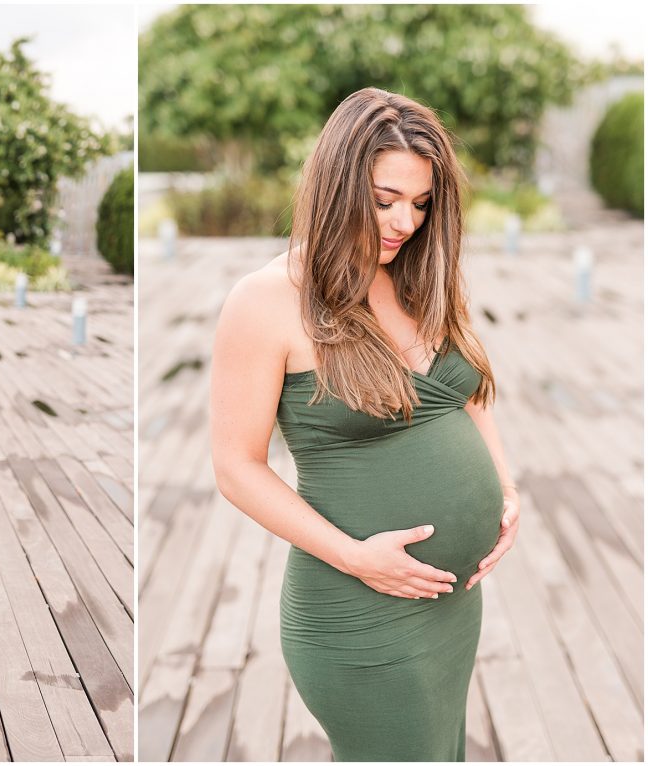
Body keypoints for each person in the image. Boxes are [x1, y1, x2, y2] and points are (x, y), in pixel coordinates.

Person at [210, 88, 520, 761]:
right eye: (384, 200)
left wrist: (504, 486)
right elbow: (236, 467)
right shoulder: (267, 300)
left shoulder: (415, 276)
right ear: (336, 183)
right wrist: (355, 557)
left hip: (450, 601)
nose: (404, 221)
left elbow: (468, 392)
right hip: (361, 609)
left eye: (420, 203)